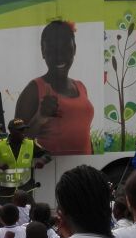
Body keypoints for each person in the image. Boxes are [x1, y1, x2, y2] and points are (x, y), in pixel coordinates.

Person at [13, 20, 94, 155]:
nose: (59, 56)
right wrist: (40, 117)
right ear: (43, 52)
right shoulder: (33, 90)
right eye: (52, 50)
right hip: (51, 171)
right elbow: (16, 144)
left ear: (74, 49)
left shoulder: (81, 87)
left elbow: (86, 135)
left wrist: (92, 162)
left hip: (82, 171)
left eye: (66, 48)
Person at [0, 119, 53, 203]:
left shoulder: (30, 144)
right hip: (5, 192)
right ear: (11, 131)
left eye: (24, 129)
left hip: (25, 191)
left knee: (29, 214)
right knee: (7, 215)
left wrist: (42, 161)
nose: (23, 132)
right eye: (20, 130)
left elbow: (48, 154)